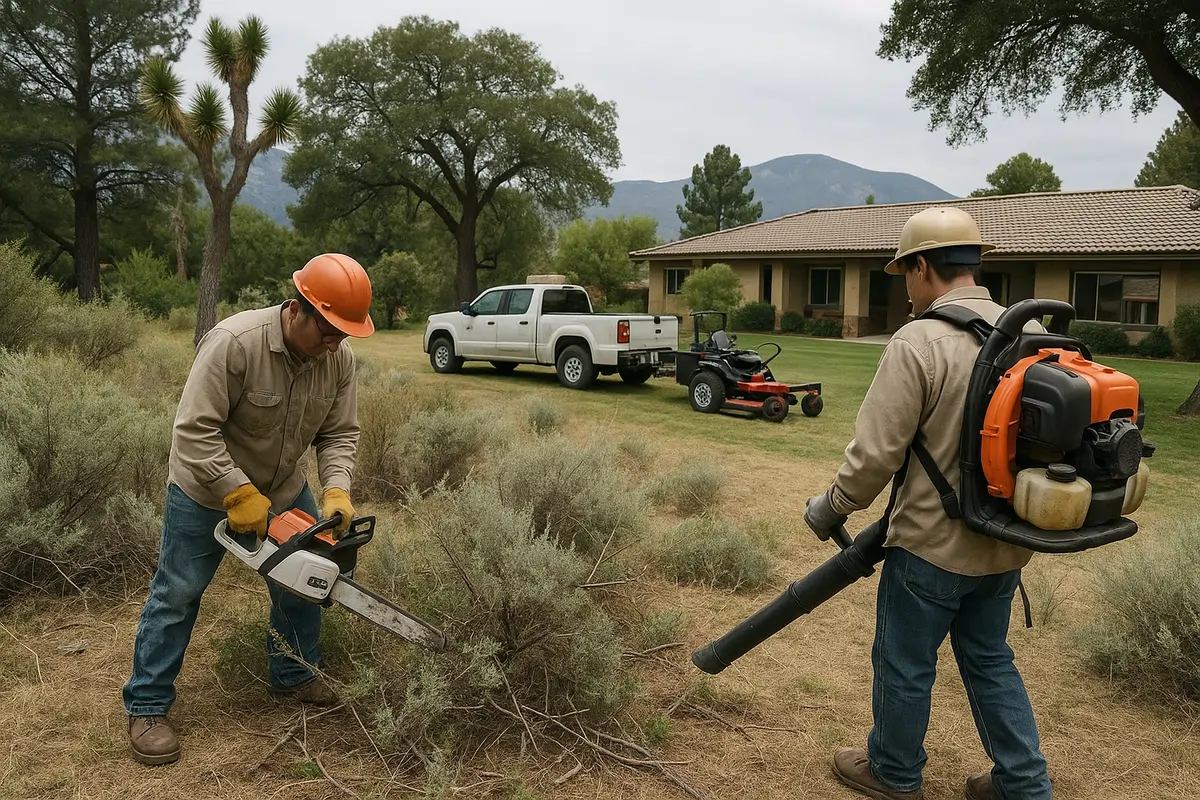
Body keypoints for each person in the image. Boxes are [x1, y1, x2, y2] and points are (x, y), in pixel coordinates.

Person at [803, 207, 1053, 800]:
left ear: (921, 266)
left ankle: (892, 772)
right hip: (1004, 542)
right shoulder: (1033, 337)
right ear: (973, 264)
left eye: (905, 274)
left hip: (930, 550)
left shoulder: (919, 342)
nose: (907, 289)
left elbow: (875, 454)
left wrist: (833, 506)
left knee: (905, 662)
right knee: (990, 658)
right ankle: (1023, 782)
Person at [122, 253, 376, 766]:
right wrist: (235, 492)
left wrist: (337, 490)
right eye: (328, 330)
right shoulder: (234, 344)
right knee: (179, 591)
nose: (335, 344)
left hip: (283, 488)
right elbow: (193, 432)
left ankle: (294, 674)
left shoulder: (338, 359)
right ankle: (147, 705)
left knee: (308, 581)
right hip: (205, 491)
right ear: (298, 309)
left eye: (344, 335)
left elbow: (339, 434)